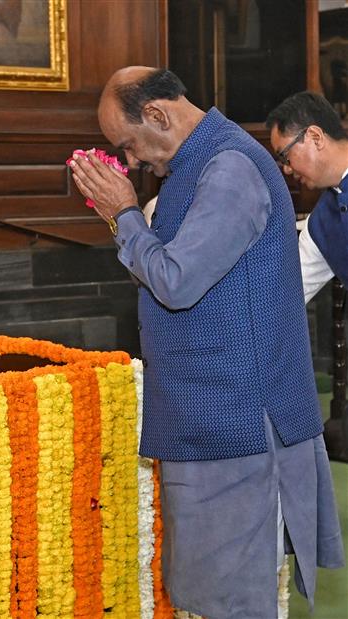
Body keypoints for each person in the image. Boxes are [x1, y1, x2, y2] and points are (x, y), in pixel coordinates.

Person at [69, 66, 344, 618]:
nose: (130, 161)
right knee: (210, 596)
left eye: (127, 144)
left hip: (239, 421)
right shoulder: (196, 166)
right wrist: (125, 220)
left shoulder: (229, 168)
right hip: (213, 416)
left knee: (233, 601)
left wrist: (123, 214)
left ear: (157, 115)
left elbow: (176, 281)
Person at [266, 91, 348, 304]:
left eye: (285, 156)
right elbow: (285, 295)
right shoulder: (321, 222)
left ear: (315, 137)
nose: (286, 169)